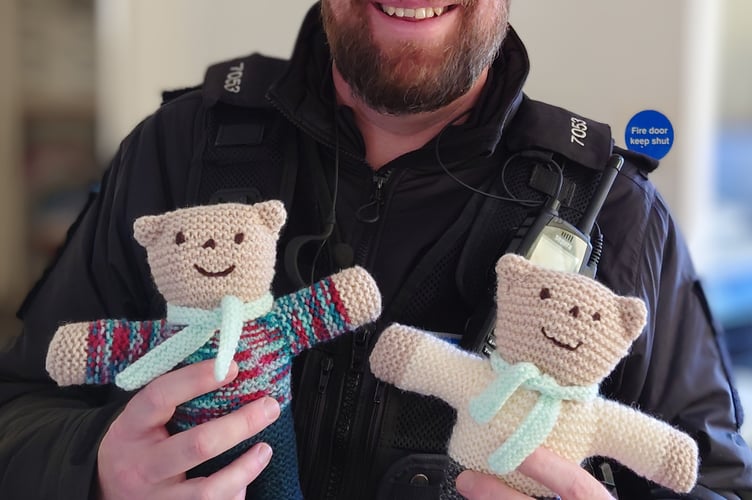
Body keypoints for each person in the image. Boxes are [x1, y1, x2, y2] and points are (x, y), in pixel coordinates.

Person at [0, 1, 750, 499]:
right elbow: (18, 414)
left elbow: (717, 481)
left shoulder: (618, 213)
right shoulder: (176, 148)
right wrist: (94, 466)